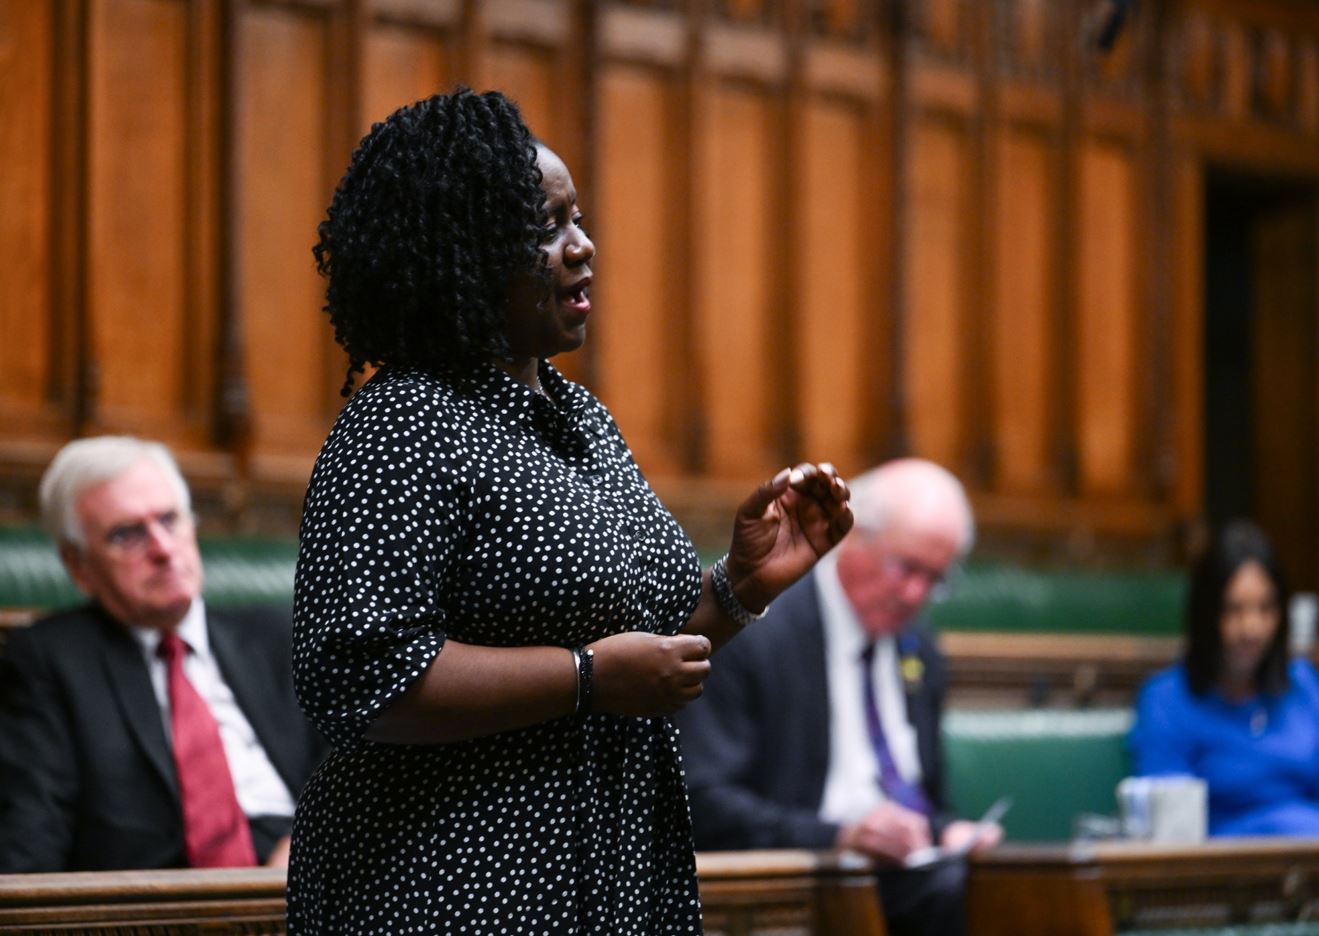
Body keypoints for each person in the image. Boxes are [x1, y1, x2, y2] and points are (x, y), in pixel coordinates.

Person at [287, 86, 853, 934]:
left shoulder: (580, 420)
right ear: (462, 251)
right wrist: (586, 678)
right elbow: (358, 676)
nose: (582, 248)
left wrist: (741, 585)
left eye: (577, 219)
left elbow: (647, 651)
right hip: (451, 880)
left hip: (607, 860)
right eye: (545, 227)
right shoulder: (402, 422)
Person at [674, 459, 1002, 936]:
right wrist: (839, 837)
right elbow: (701, 803)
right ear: (852, 536)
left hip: (911, 879)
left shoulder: (921, 648)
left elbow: (926, 794)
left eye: (935, 579)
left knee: (1015, 886)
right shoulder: (753, 631)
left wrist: (946, 832)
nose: (915, 594)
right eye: (906, 568)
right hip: (795, 882)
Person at [0, 436, 326, 872]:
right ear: (79, 567)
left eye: (169, 520)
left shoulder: (281, 632)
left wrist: (316, 843)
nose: (163, 549)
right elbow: (30, 838)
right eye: (128, 534)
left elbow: (362, 759)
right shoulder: (49, 661)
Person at [1130, 519, 1319, 835]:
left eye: (1266, 608)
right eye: (1234, 609)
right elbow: (1171, 832)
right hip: (1223, 875)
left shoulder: (1303, 685)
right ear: (1205, 613)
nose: (1252, 629)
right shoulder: (1166, 700)